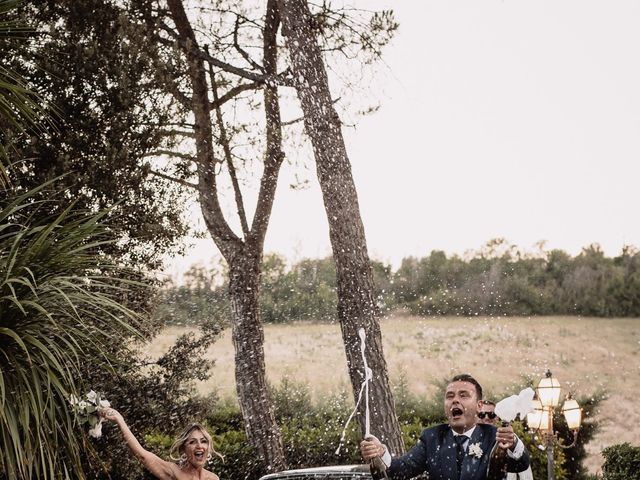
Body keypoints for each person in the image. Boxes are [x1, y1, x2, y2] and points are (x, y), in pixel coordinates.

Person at [360, 374, 530, 480]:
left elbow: (520, 465)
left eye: (464, 395)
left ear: (479, 406)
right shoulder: (432, 437)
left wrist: (513, 443)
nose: (455, 400)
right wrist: (381, 452)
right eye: (450, 396)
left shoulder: (493, 436)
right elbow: (400, 471)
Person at [99, 407, 220, 480]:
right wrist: (120, 420)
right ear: (183, 449)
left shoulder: (214, 478)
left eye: (203, 441)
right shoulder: (174, 472)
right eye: (193, 442)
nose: (199, 445)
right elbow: (143, 455)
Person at [476, 400, 534, 480]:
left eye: (491, 415)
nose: (486, 418)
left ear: (497, 417)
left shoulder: (510, 441)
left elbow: (524, 470)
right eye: (482, 415)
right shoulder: (467, 440)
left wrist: (513, 442)